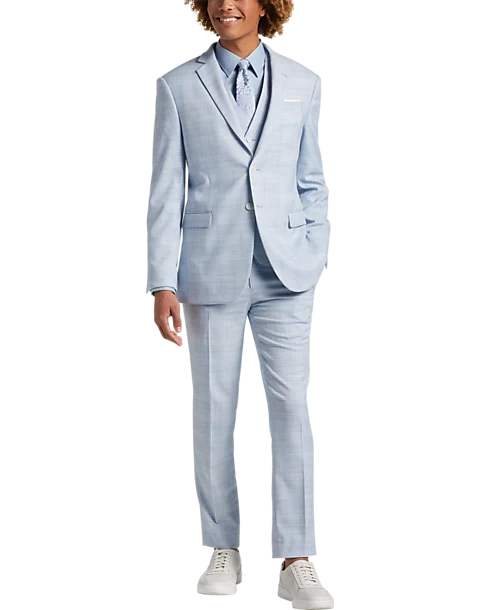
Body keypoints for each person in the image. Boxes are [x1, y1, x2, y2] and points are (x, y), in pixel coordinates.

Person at [145, 1, 334, 607]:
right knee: (213, 410)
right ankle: (222, 545)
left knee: (291, 410)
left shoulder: (304, 82)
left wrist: (314, 248)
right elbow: (165, 189)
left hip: (287, 272)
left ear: (266, 6)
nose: (228, 2)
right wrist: (161, 280)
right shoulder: (178, 85)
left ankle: (296, 557)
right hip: (209, 269)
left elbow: (311, 179)